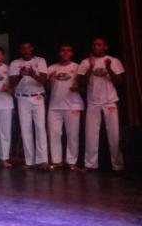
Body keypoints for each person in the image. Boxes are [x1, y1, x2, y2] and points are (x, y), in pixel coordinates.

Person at [78, 38, 125, 171]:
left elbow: (119, 81)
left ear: (105, 47)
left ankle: (118, 165)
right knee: (90, 134)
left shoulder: (114, 61)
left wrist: (109, 68)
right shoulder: (86, 62)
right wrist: (90, 67)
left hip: (109, 101)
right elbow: (81, 82)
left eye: (99, 44)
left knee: (114, 135)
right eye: (94, 44)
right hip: (93, 102)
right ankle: (90, 164)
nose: (96, 46)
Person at [9, 42, 50, 170]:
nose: (26, 50)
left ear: (32, 49)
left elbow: (44, 81)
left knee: (40, 128)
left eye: (28, 48)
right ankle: (29, 160)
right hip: (22, 98)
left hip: (37, 97)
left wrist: (32, 74)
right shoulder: (15, 63)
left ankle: (43, 160)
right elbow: (12, 83)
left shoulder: (40, 60)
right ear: (20, 50)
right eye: (23, 48)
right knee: (25, 129)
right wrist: (21, 75)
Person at [47, 44, 84, 170]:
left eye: (68, 50)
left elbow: (85, 85)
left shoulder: (78, 67)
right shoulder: (51, 68)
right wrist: (49, 81)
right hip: (54, 106)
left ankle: (71, 161)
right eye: (62, 50)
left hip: (72, 105)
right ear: (59, 53)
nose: (65, 53)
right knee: (54, 134)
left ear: (72, 53)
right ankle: (56, 161)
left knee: (72, 135)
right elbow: (45, 87)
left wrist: (77, 87)